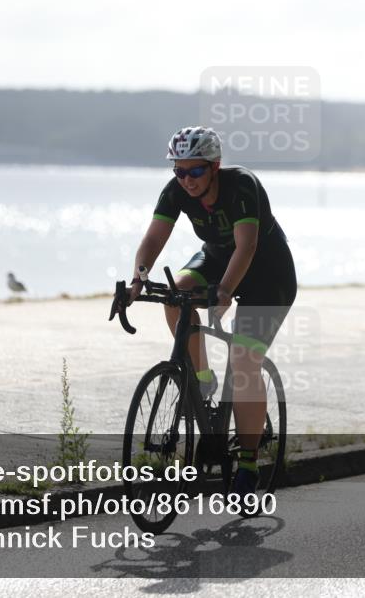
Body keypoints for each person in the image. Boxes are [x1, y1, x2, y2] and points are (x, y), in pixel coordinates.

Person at [126, 126, 297, 499]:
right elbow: (155, 237)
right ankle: (202, 378)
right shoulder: (176, 191)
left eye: (195, 171)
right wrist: (139, 279)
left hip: (267, 273)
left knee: (243, 362)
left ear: (215, 166)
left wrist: (224, 292)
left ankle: (249, 463)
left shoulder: (243, 186)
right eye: (179, 171)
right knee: (175, 295)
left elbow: (247, 246)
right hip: (219, 257)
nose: (186, 180)